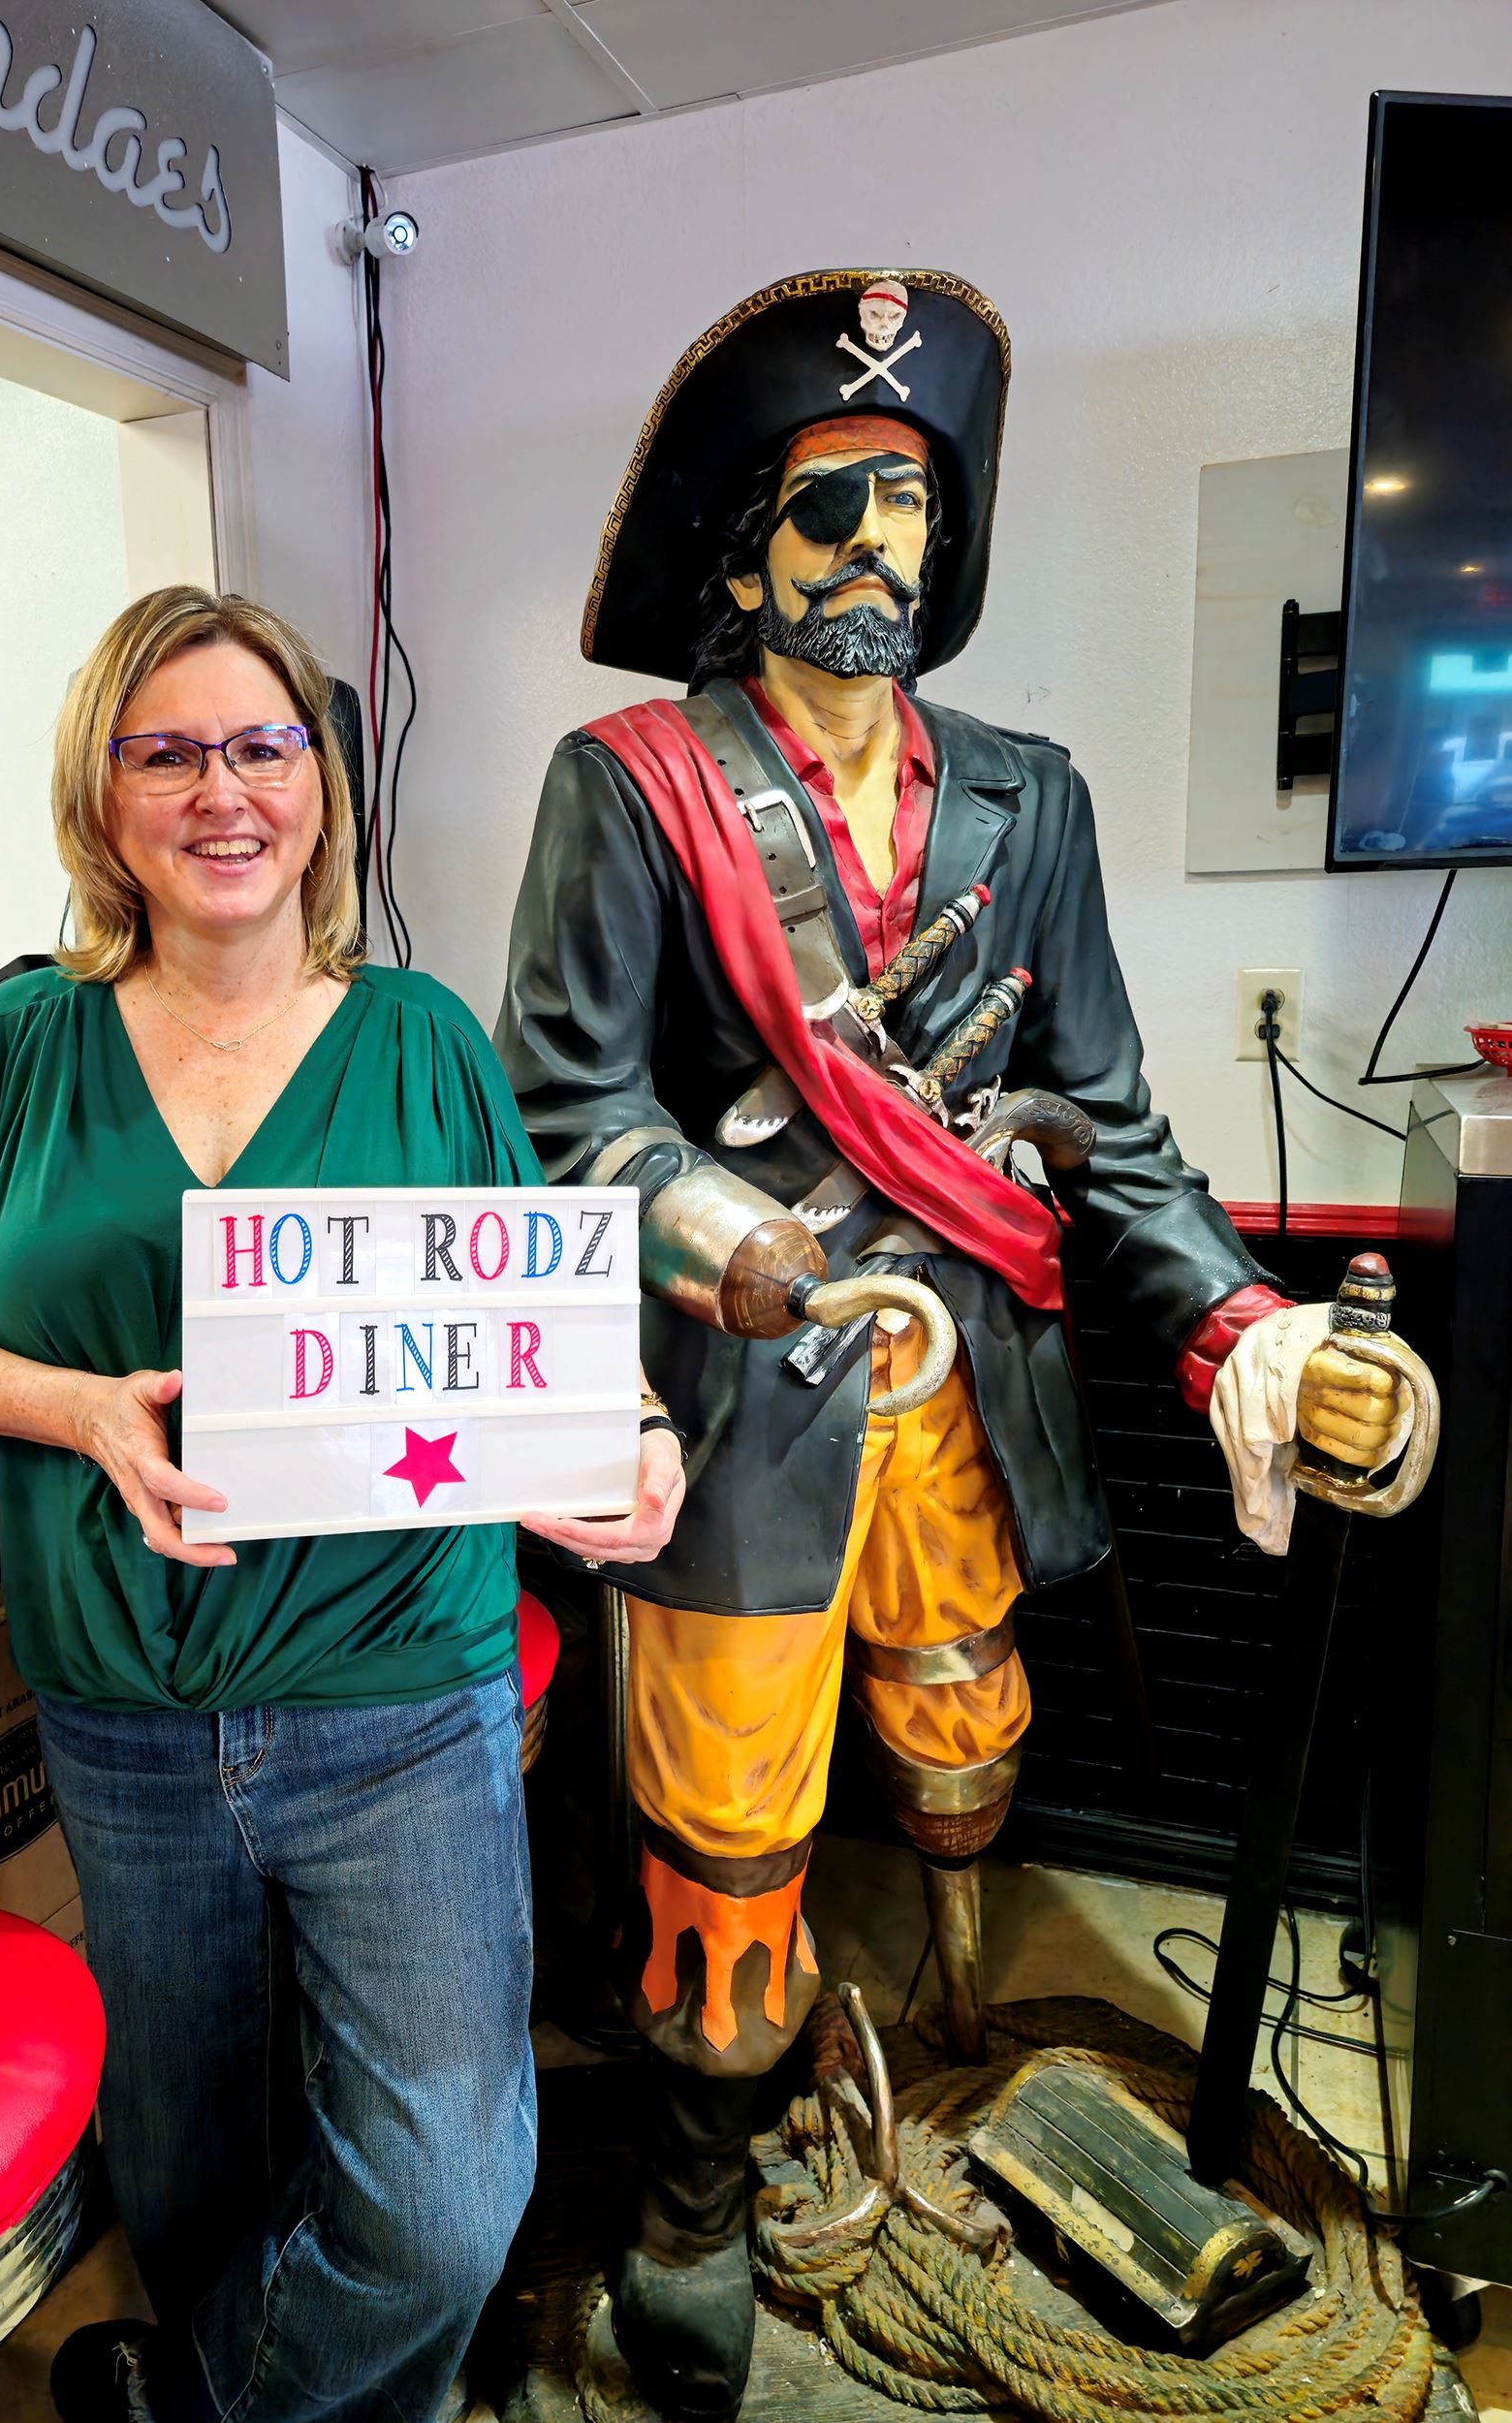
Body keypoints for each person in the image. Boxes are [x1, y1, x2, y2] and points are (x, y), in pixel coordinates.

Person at [493, 269, 1410, 2421]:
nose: (878, 552)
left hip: (967, 1380)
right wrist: (740, 1245)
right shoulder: (630, 785)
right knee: (724, 1822)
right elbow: (568, 1106)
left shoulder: (1028, 797)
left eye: (911, 507)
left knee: (962, 1728)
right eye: (832, 508)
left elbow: (1113, 1119)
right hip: (742, 1393)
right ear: (742, 554)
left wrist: (1248, 1329)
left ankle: (956, 2035)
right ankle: (694, 2190)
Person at [0, 585, 682, 2423]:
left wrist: (634, 1435)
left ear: (321, 787)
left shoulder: (421, 1040)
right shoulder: (18, 1050)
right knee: (190, 2166)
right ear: (103, 795)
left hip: (398, 1694)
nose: (225, 791)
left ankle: (212, 2404)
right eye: (170, 753)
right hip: (121, 1708)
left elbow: (535, 1324)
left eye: (264, 747)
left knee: (444, 2204)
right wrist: (74, 1409)